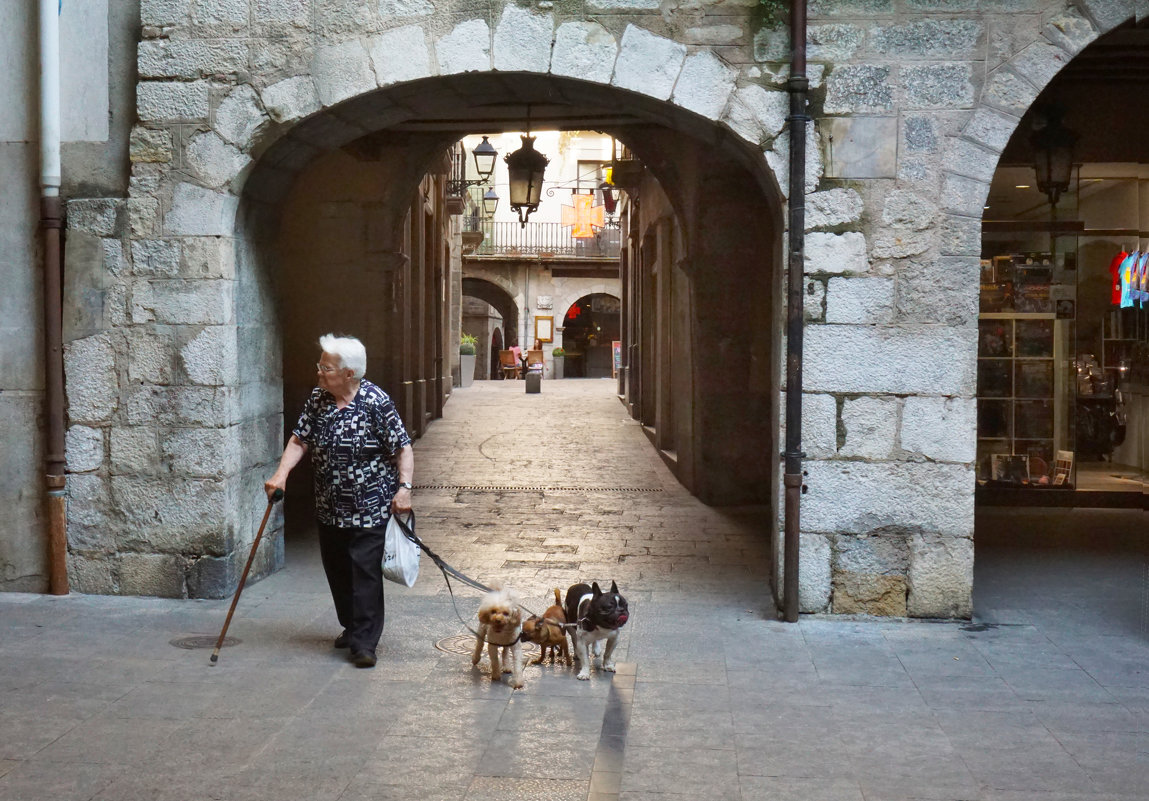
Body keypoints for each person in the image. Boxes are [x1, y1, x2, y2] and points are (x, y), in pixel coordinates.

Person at [265, 334, 413, 668]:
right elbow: (300, 439)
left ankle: (364, 641)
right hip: (329, 505)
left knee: (364, 573)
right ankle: (351, 625)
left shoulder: (376, 402)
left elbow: (402, 447)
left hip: (370, 505)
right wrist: (281, 475)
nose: (318, 371)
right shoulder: (319, 398)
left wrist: (404, 488)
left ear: (348, 373)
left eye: (325, 367)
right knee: (338, 570)